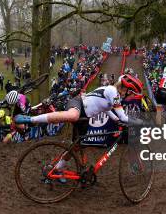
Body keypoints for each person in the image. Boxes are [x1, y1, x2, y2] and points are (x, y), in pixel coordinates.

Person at [14, 74, 143, 175]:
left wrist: (115, 120)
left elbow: (107, 108)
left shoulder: (112, 94)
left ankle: (58, 169)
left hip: (84, 117)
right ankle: (30, 119)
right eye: (131, 93)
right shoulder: (112, 91)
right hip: (78, 104)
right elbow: (123, 116)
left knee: (76, 147)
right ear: (126, 88)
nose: (130, 96)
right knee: (72, 115)